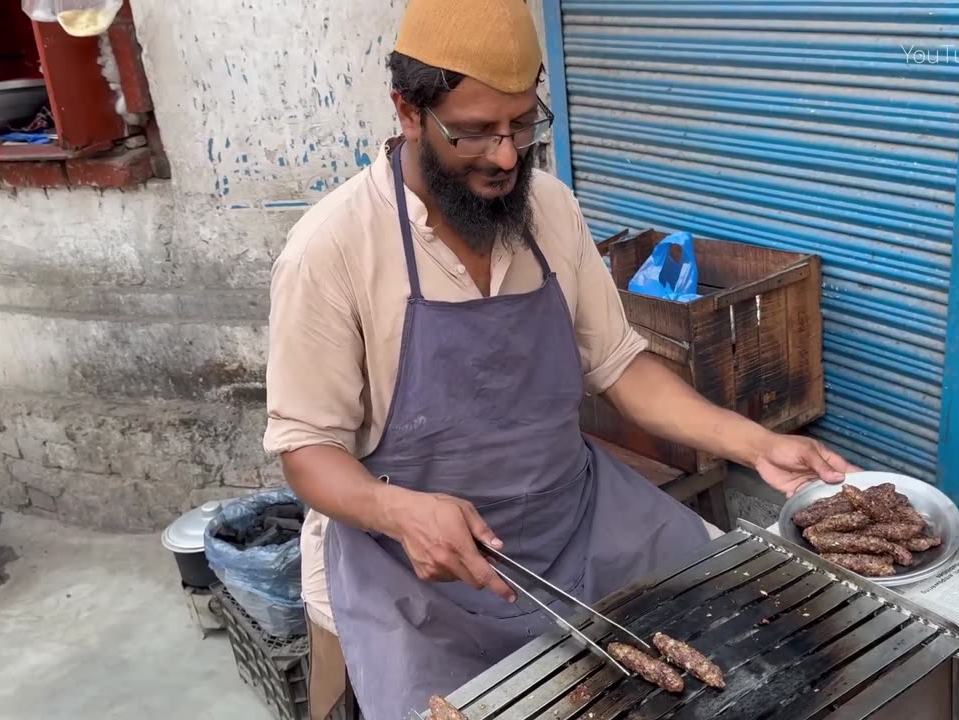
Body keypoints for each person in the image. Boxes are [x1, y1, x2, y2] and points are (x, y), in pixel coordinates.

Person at [263, 0, 858, 715]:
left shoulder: (550, 209)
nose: (508, 157)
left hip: (575, 522)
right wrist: (396, 510)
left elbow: (620, 365)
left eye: (523, 124)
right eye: (476, 133)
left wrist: (754, 442)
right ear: (409, 112)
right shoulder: (331, 251)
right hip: (408, 570)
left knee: (738, 631)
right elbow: (306, 450)